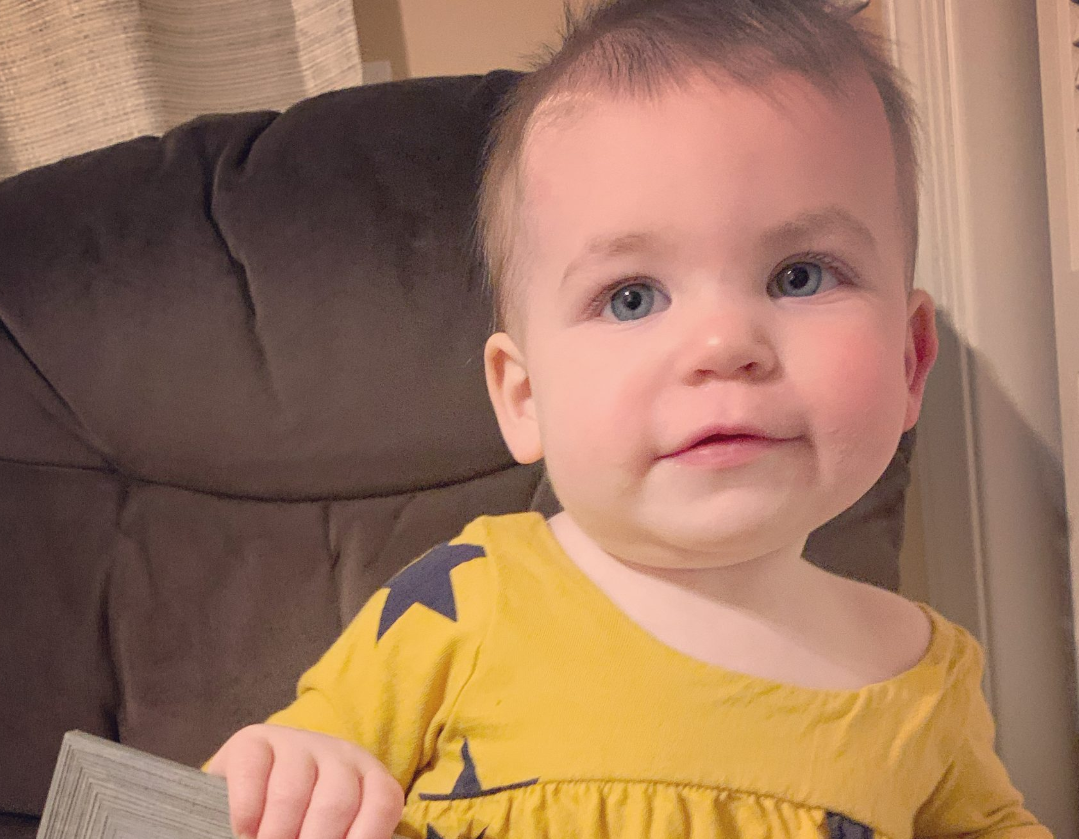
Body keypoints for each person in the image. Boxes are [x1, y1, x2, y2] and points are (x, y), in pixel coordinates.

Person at [205, 1, 1052, 837]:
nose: (723, 343)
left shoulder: (922, 672)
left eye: (800, 276)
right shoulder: (461, 600)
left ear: (908, 361)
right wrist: (286, 774)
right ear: (523, 396)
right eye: (631, 296)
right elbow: (257, 790)